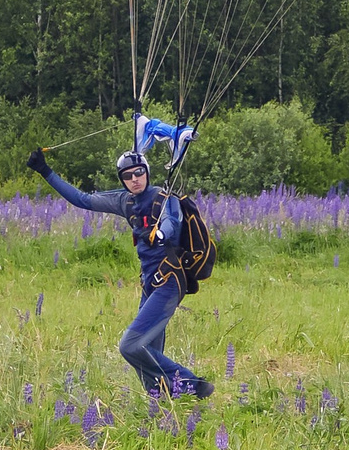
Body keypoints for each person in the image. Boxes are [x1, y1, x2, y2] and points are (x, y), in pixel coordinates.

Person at [27, 145, 212, 399]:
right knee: (146, 357)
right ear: (122, 180)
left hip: (169, 282)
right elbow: (82, 199)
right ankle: (162, 405)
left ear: (146, 172)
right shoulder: (125, 202)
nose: (134, 179)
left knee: (131, 346)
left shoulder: (163, 197)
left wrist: (160, 234)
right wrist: (46, 172)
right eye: (127, 176)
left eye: (138, 173)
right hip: (150, 285)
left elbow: (173, 221)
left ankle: (192, 385)